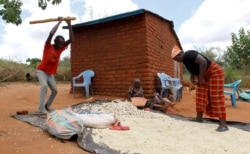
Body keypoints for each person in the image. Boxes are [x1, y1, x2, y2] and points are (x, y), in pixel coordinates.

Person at [171, 45, 228, 132]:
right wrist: (192, 77)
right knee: (200, 96)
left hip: (214, 72)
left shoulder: (189, 54)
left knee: (215, 97)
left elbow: (203, 62)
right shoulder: (185, 61)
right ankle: (199, 119)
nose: (177, 61)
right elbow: (193, 68)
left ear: (180, 54)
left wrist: (200, 79)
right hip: (203, 75)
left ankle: (223, 124)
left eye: (176, 59)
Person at [35, 17, 74, 114]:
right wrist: (59, 22)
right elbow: (51, 34)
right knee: (44, 86)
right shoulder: (48, 46)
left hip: (50, 73)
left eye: (62, 44)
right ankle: (41, 110)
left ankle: (46, 107)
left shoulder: (60, 48)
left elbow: (72, 39)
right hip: (41, 71)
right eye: (59, 44)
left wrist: (69, 25)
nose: (61, 46)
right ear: (55, 42)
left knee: (55, 91)